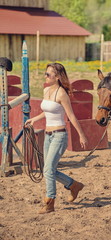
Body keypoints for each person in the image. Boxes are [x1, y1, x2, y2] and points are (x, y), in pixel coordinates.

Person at [25, 62, 88, 214]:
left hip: (59, 135)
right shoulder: (46, 90)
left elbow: (71, 116)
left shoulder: (61, 94)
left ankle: (49, 202)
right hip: (48, 136)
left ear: (58, 77)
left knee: (47, 169)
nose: (45, 76)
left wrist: (81, 134)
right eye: (45, 73)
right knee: (49, 170)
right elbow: (48, 111)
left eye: (48, 74)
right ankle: (74, 185)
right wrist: (34, 119)